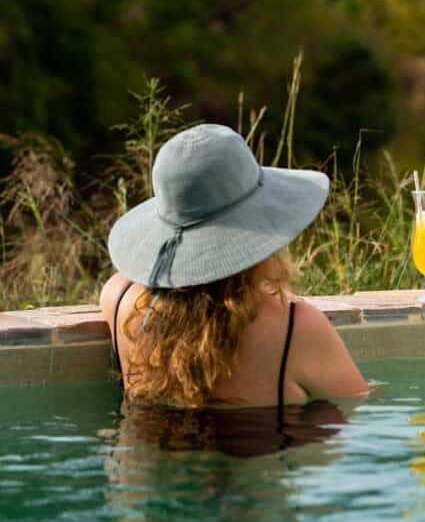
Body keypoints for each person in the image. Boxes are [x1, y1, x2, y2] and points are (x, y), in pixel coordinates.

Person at [99, 123, 368, 409]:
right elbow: (358, 412)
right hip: (262, 451)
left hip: (142, 450)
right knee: (321, 419)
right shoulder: (295, 328)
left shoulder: (118, 298)